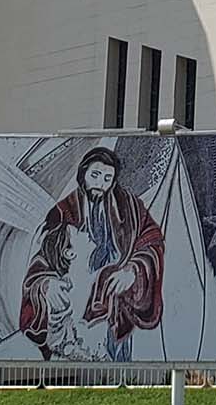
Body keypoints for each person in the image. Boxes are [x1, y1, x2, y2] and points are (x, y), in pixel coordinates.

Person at [19, 146, 164, 361]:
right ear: (83, 174)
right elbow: (43, 258)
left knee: (117, 363)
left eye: (107, 178)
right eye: (95, 175)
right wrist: (47, 284)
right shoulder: (64, 212)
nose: (100, 184)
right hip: (75, 301)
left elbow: (152, 241)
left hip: (116, 302)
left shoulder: (130, 207)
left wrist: (133, 271)